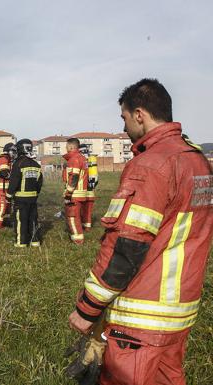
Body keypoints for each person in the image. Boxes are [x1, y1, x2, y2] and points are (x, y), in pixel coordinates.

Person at [68, 78, 213, 384]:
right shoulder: (198, 161)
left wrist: (87, 307)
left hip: (141, 317)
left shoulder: (150, 166)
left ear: (139, 114)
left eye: (123, 118)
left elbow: (126, 246)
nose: (123, 128)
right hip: (180, 311)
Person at [6, 139, 43, 247]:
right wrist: (35, 194)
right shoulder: (37, 165)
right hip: (33, 198)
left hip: (20, 198)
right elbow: (39, 182)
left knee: (21, 220)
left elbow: (14, 181)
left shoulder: (18, 163)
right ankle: (35, 241)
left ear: (20, 150)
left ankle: (21, 242)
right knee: (33, 219)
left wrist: (8, 195)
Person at [62, 138, 90, 244]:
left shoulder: (74, 159)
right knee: (77, 216)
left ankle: (77, 241)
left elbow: (74, 177)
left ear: (71, 147)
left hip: (74, 194)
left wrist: (68, 193)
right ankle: (79, 236)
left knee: (72, 216)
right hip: (81, 193)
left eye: (67, 146)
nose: (66, 148)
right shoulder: (82, 158)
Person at [0, 143, 14, 228]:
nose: (14, 154)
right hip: (2, 187)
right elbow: (4, 173)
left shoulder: (7, 159)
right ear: (9, 151)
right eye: (13, 151)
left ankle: (6, 222)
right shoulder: (3, 159)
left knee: (8, 206)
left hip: (6, 187)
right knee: (2, 206)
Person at [85, 152, 99, 230]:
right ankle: (88, 227)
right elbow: (95, 179)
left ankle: (84, 226)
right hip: (91, 192)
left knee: (82, 210)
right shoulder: (92, 162)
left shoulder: (82, 162)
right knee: (88, 211)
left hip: (83, 192)